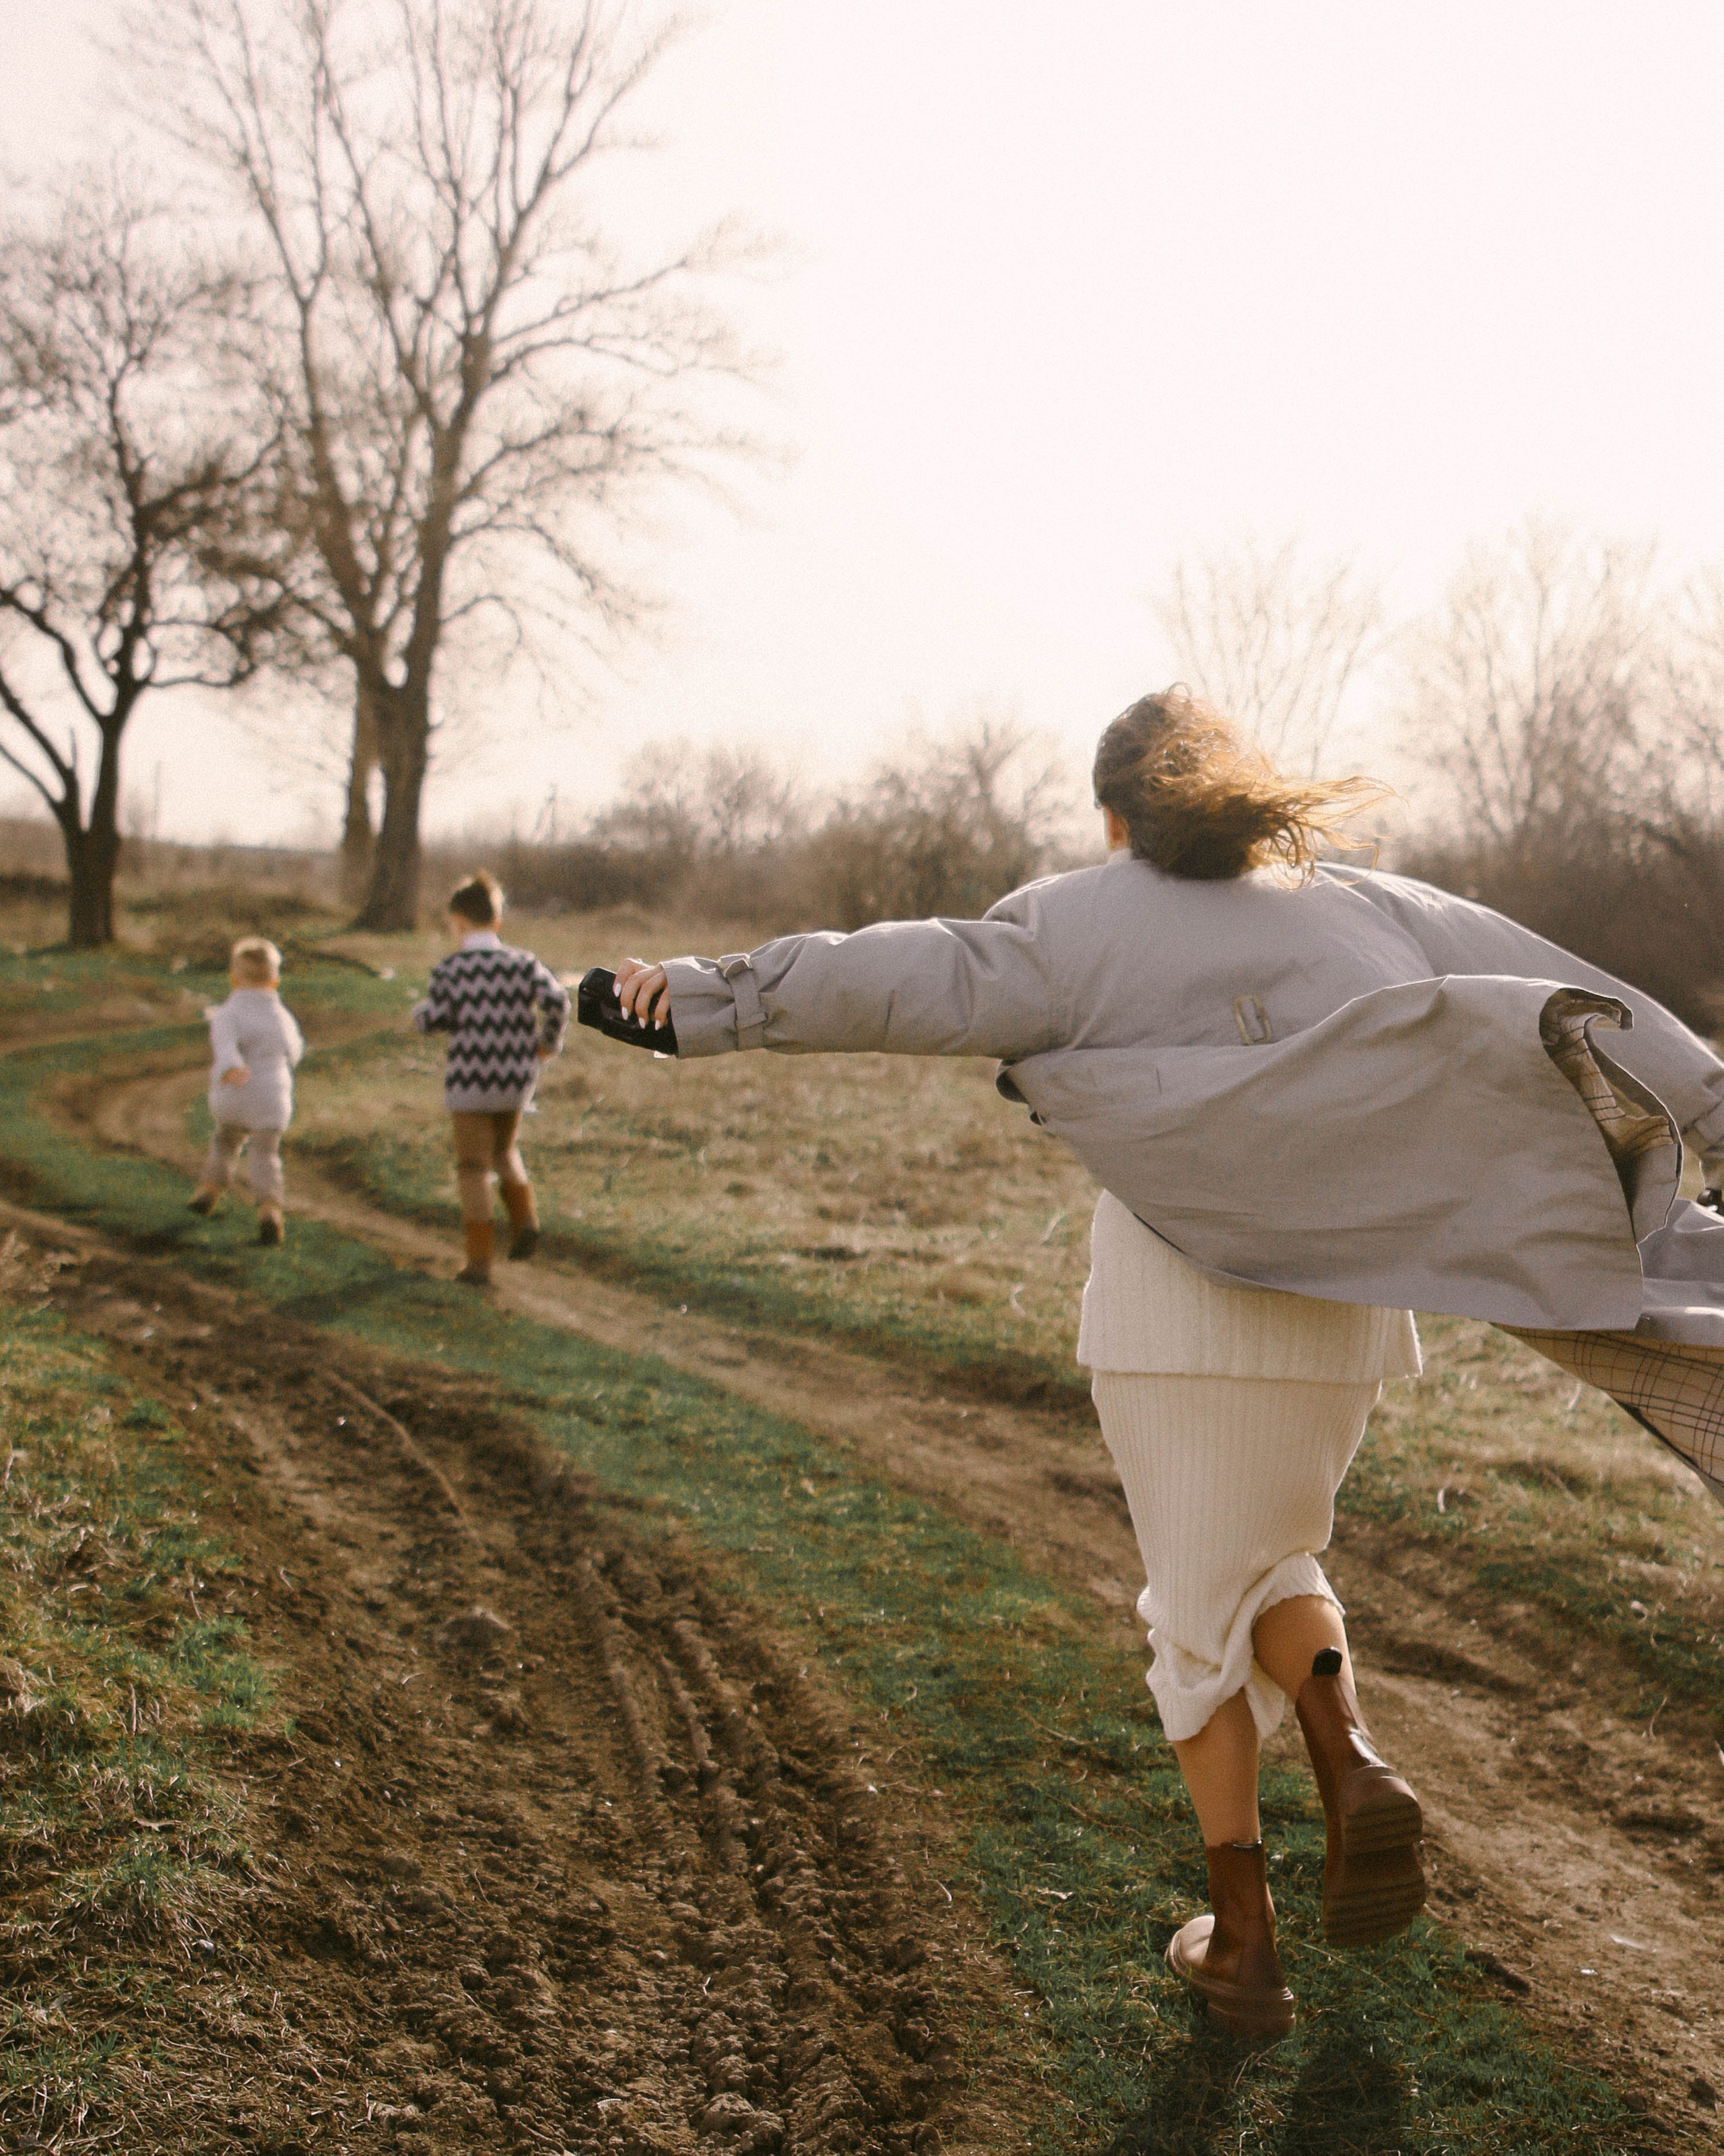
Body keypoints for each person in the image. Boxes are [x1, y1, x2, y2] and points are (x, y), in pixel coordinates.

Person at [595, 689, 1724, 2042]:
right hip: (1347, 1300)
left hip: (1178, 1299)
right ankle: (1348, 1763)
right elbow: (1567, 990)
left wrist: (704, 997)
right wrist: (1712, 1113)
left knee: (1192, 1616)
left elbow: (898, 977)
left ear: (1112, 816)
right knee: (1275, 1559)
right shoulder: (1356, 900)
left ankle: (1244, 1940)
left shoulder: (1068, 923)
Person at [412, 871, 570, 1287]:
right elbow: (558, 1000)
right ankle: (525, 1220)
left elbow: (437, 1018)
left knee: (472, 1168)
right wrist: (548, 1043)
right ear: (497, 921)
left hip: (470, 1082)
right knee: (504, 1150)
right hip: (516, 1079)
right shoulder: (523, 963)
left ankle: (479, 1261)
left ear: (458, 922)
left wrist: (420, 1015)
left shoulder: (450, 970)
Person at [187, 938, 305, 1247]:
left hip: (236, 1091)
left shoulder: (229, 1013)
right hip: (271, 1095)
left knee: (226, 1142)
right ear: (275, 981)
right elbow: (295, 1050)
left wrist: (232, 1067)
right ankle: (270, 1212)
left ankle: (208, 1191)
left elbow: (224, 1044)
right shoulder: (282, 1016)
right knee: (265, 1154)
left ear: (233, 978)